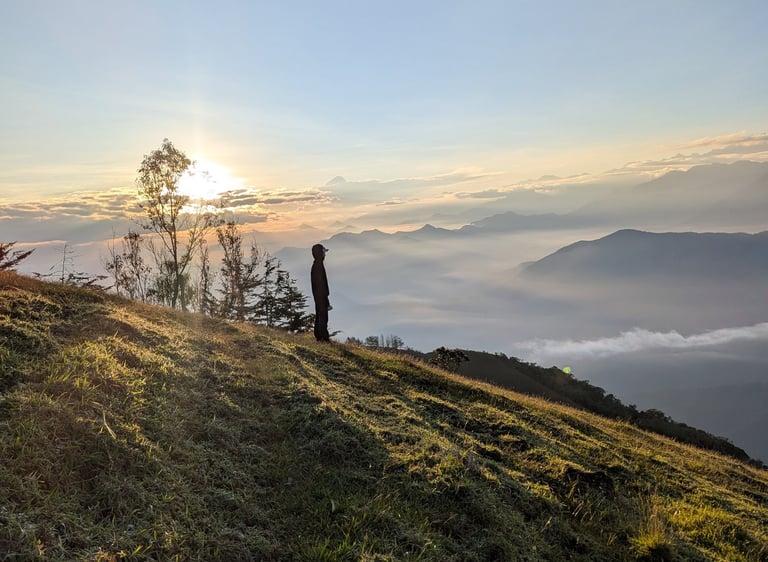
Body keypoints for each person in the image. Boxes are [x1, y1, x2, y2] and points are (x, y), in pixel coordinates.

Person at [310, 243, 332, 341]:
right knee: (323, 317)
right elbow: (321, 285)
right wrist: (325, 299)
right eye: (323, 252)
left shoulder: (316, 265)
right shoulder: (318, 267)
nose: (325, 255)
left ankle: (319, 336)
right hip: (321, 297)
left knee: (320, 315)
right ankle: (323, 338)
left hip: (319, 296)